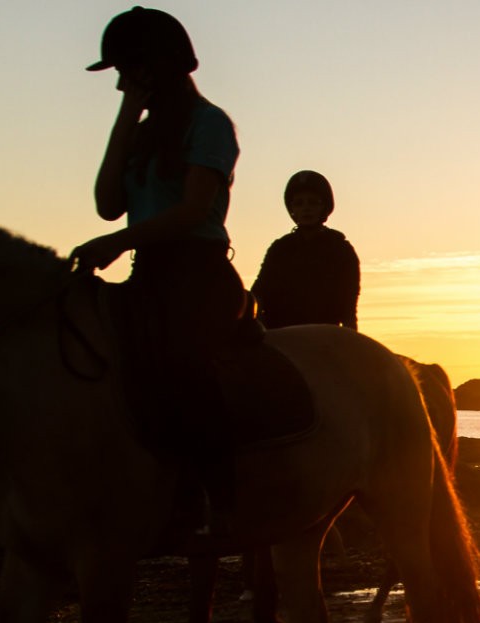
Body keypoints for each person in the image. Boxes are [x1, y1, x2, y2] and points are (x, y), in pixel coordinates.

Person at [69, 6, 245, 519]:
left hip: (198, 274)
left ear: (152, 68)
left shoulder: (210, 124)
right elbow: (106, 202)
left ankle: (219, 495)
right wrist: (125, 119)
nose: (121, 82)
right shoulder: (142, 133)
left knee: (183, 362)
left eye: (125, 71)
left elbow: (192, 211)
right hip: (148, 272)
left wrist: (116, 243)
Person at [250, 170, 361, 330]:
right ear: (292, 209)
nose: (306, 208)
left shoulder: (340, 249)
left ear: (324, 207)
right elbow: (258, 293)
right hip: (280, 337)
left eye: (313, 203)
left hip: (324, 339)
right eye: (299, 203)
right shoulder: (279, 249)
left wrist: (349, 344)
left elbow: (349, 306)